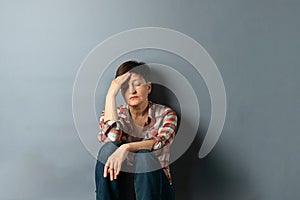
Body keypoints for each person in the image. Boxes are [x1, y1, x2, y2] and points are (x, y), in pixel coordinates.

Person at [95, 61, 178, 200]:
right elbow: (114, 137)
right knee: (108, 150)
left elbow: (159, 142)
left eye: (137, 84)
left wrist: (127, 148)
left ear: (148, 87)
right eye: (125, 87)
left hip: (156, 190)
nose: (132, 91)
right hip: (122, 190)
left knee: (144, 155)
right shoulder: (112, 113)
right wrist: (111, 94)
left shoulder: (166, 114)